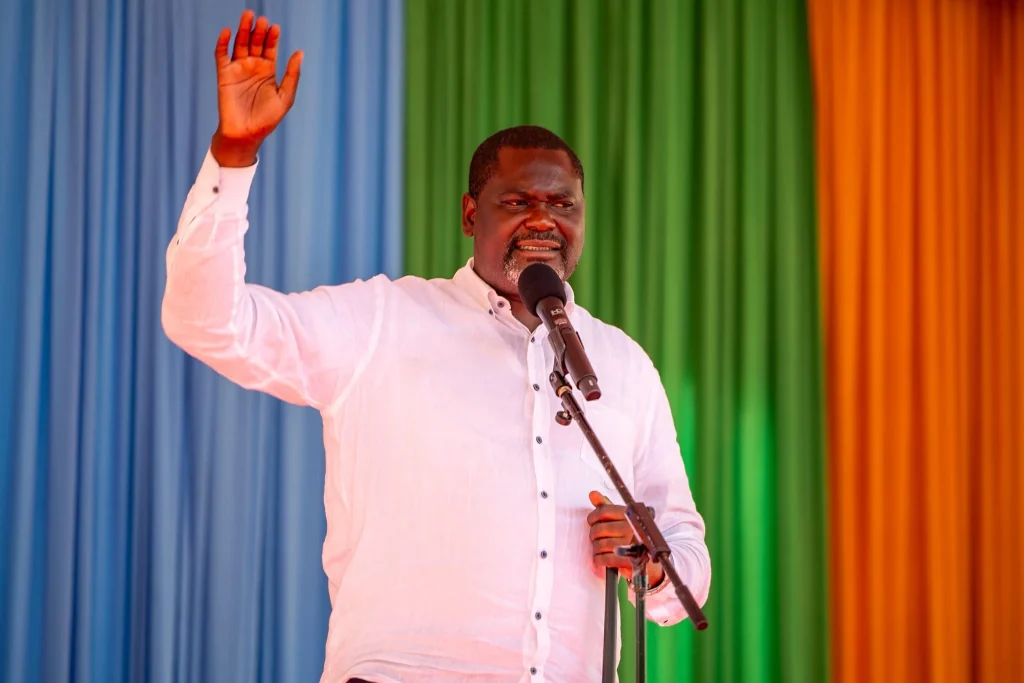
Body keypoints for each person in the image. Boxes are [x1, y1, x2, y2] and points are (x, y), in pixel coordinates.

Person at [162, 10, 711, 683]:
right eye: (518, 202)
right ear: (470, 214)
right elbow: (208, 320)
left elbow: (686, 552)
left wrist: (651, 561)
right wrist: (233, 157)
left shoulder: (621, 363)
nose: (543, 219)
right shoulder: (383, 322)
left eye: (563, 204)